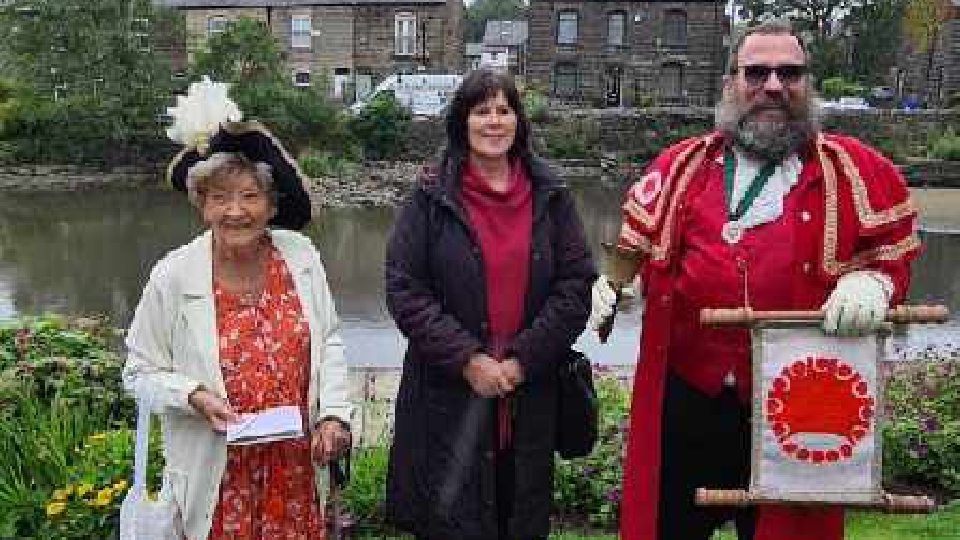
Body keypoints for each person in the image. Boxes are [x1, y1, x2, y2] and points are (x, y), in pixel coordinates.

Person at [589, 21, 920, 540]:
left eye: (789, 73)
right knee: (665, 526)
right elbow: (636, 251)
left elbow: (893, 252)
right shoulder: (680, 167)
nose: (772, 85)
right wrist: (614, 286)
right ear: (731, 82)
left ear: (807, 82)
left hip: (794, 406)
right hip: (687, 400)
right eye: (757, 72)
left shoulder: (856, 170)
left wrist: (873, 283)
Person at [122, 89, 353, 540]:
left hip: (295, 474)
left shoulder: (301, 256)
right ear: (201, 204)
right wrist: (192, 394)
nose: (235, 211)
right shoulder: (173, 274)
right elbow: (138, 373)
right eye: (220, 197)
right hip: (216, 478)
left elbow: (329, 342)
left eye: (250, 196)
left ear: (271, 205)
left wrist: (334, 415)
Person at [384, 68, 596, 540]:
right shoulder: (429, 197)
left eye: (504, 110)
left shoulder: (552, 195)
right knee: (451, 519)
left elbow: (576, 284)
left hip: (529, 393)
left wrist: (523, 360)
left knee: (518, 516)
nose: (494, 121)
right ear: (462, 121)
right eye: (482, 111)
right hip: (449, 395)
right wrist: (468, 359)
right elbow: (405, 289)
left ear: (519, 121)